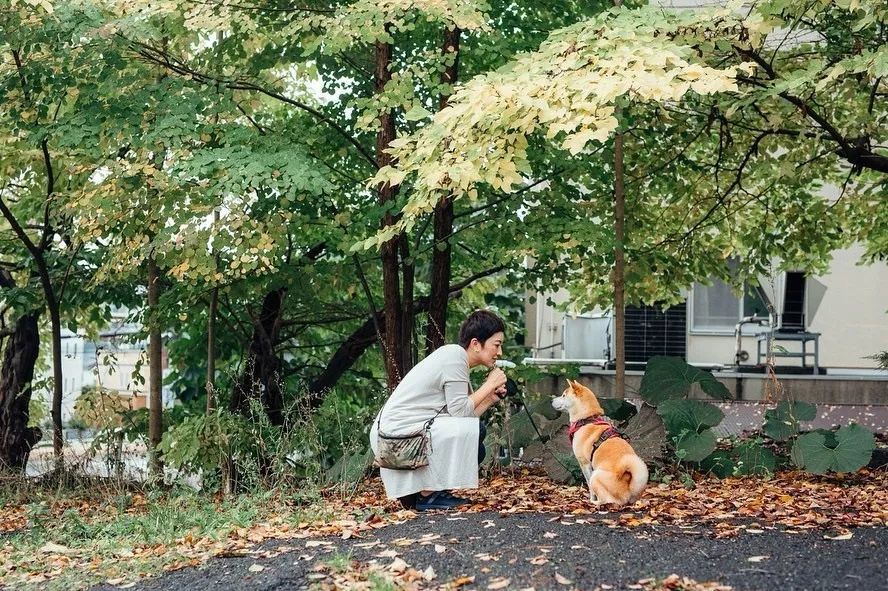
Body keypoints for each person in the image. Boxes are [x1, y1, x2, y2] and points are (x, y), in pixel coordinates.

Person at [369, 310, 509, 511]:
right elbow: (460, 413)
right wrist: (489, 384)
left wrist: (490, 399)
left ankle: (422, 493)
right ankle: (428, 495)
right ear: (476, 344)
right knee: (478, 432)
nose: (500, 352)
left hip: (400, 434)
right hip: (395, 435)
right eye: (496, 345)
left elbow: (460, 417)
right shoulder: (454, 357)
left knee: (476, 435)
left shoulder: (456, 359)